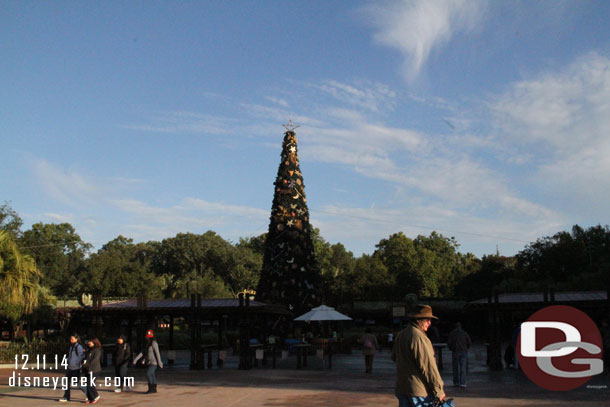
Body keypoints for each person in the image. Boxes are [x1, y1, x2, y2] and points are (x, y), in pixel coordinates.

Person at [392, 304, 446, 407]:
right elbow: (428, 366)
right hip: (419, 391)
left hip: (402, 387)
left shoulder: (401, 334)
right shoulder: (419, 337)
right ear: (418, 320)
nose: (429, 323)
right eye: (427, 320)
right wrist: (438, 390)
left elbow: (394, 357)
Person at [133, 329, 163, 394]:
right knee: (152, 374)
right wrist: (136, 359)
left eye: (148, 337)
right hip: (149, 362)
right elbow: (142, 353)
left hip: (154, 362)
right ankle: (154, 388)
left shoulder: (154, 343)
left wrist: (159, 362)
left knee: (149, 374)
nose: (147, 338)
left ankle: (151, 388)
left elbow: (157, 353)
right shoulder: (146, 344)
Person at [59, 333, 86, 403]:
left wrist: (77, 365)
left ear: (76, 339)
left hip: (76, 368)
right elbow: (70, 356)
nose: (71, 340)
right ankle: (66, 397)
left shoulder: (79, 347)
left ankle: (88, 393)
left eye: (72, 339)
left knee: (77, 383)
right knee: (66, 382)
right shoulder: (71, 347)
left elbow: (81, 357)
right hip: (69, 368)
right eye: (70, 339)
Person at [447, 322, 471, 388]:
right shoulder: (464, 333)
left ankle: (456, 382)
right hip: (463, 351)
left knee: (455, 368)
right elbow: (469, 342)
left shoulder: (452, 333)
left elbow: (449, 343)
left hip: (455, 351)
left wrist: (452, 348)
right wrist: (466, 348)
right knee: (463, 367)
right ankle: (462, 383)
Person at [81, 337, 102, 404]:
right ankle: (90, 398)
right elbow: (85, 358)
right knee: (88, 384)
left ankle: (96, 396)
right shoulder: (88, 350)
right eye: (89, 341)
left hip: (94, 370)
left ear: (94, 342)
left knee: (90, 383)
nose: (89, 343)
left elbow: (94, 360)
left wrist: (87, 364)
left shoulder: (97, 350)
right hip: (87, 369)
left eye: (91, 342)